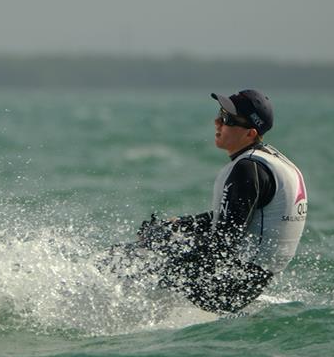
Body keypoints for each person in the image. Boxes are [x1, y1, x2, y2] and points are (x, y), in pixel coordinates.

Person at [105, 89, 308, 314]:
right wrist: (179, 225)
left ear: (250, 134)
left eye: (227, 119)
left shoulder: (247, 170)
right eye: (220, 113)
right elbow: (234, 217)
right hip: (248, 282)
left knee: (121, 260)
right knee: (143, 252)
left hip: (227, 288)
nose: (217, 122)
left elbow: (224, 243)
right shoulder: (269, 162)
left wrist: (164, 242)